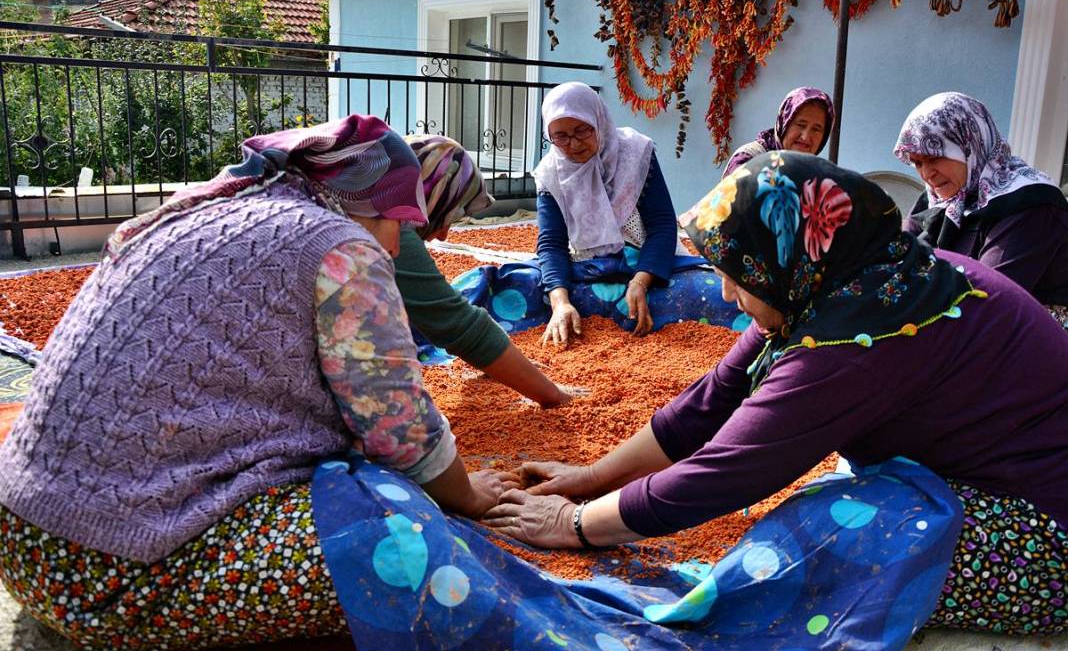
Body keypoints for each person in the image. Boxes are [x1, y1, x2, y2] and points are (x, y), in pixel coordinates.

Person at [486, 151, 1068, 640]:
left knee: (842, 531)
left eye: (736, 275)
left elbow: (728, 471)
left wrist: (576, 524)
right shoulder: (852, 276)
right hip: (985, 470)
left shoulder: (862, 334)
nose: (726, 293)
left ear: (785, 252)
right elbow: (710, 404)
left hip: (1044, 534)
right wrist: (589, 480)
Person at [0, 116, 519, 650]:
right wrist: (466, 497)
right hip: (111, 572)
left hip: (20, 531)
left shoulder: (223, 206)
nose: (395, 247)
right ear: (372, 204)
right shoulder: (344, 246)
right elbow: (393, 419)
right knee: (401, 535)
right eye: (400, 224)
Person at [397, 134, 571, 406]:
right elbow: (456, 324)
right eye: (448, 216)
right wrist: (555, 396)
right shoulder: (391, 227)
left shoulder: (362, 197)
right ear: (430, 196)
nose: (444, 236)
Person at [895, 91, 1068, 329]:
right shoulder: (938, 198)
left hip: (1032, 347)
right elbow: (894, 259)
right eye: (917, 163)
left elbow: (985, 298)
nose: (926, 174)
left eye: (934, 158)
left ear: (969, 145)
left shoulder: (1028, 202)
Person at [535, 81, 681, 345]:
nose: (573, 144)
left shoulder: (635, 153)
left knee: (711, 294)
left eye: (582, 130)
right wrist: (560, 303)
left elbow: (662, 225)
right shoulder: (549, 173)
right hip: (584, 271)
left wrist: (641, 283)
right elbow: (551, 245)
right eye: (560, 136)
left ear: (598, 121)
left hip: (643, 267)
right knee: (505, 285)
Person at [722, 86, 835, 177]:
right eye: (801, 125)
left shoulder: (816, 176)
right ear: (784, 124)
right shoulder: (748, 159)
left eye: (816, 129)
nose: (805, 137)